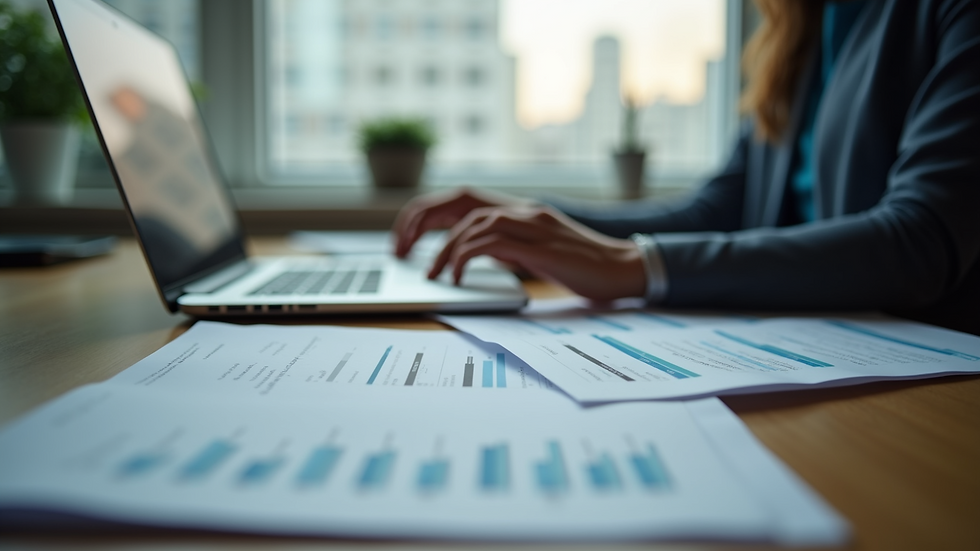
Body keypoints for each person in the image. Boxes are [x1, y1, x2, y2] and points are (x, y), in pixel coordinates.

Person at [393, 0, 980, 335]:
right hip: (812, 344)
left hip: (923, 375)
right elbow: (718, 211)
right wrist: (533, 223)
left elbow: (921, 240)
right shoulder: (799, 32)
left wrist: (636, 264)